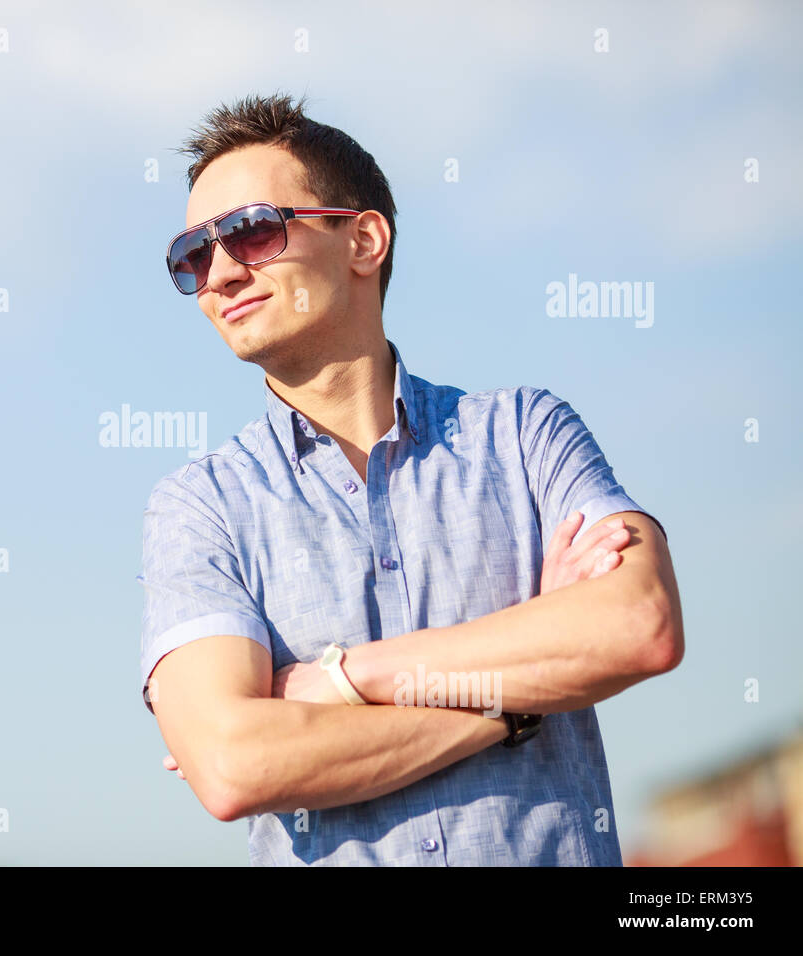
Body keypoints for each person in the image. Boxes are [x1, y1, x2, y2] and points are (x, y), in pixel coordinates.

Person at [137, 92, 683, 866]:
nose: (220, 272)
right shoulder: (199, 508)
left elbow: (639, 626)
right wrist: (514, 702)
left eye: (252, 232)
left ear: (363, 239)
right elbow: (232, 767)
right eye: (194, 255)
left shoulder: (526, 435)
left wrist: (341, 679)